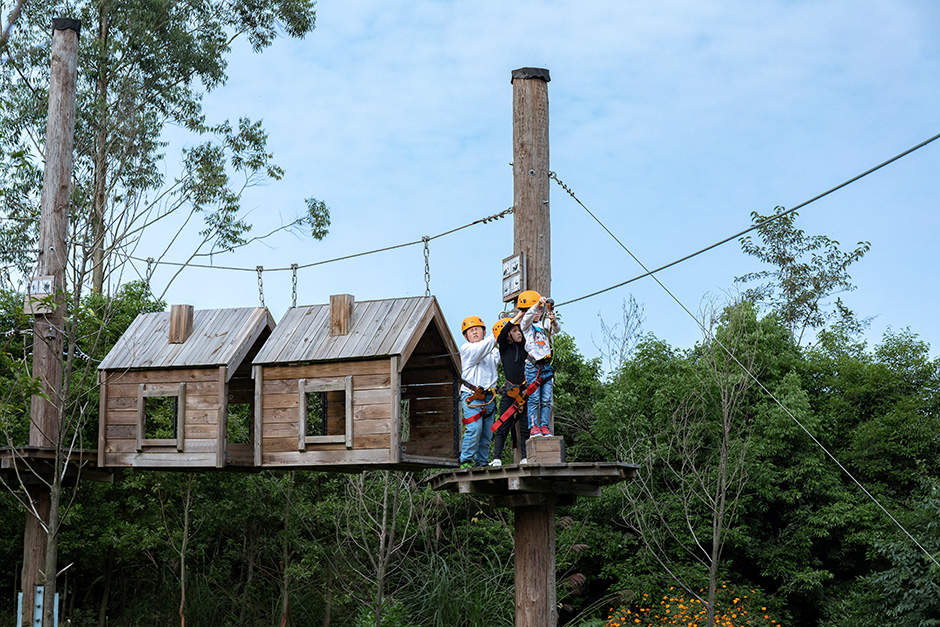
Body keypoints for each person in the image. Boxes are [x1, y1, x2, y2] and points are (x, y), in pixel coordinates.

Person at [458, 315, 498, 468]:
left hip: (488, 397)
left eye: (477, 329)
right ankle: (466, 460)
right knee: (474, 428)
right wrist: (497, 334)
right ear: (466, 336)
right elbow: (482, 349)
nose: (474, 332)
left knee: (487, 433)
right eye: (471, 331)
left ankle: (482, 462)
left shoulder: (493, 351)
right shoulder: (467, 349)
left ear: (483, 331)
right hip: (472, 395)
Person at [518, 291, 560, 438]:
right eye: (534, 310)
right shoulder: (526, 326)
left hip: (547, 366)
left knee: (547, 399)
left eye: (539, 310)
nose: (536, 313)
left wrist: (553, 320)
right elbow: (527, 318)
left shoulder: (545, 324)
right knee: (534, 398)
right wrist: (536, 304)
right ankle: (534, 427)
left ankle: (544, 426)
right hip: (533, 366)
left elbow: (556, 329)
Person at [489, 313, 529, 466]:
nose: (518, 333)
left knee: (525, 426)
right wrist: (518, 315)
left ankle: (525, 457)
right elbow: (502, 334)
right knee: (503, 425)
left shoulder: (525, 348)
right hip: (509, 392)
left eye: (519, 330)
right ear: (508, 336)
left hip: (524, 392)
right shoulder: (504, 348)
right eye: (514, 331)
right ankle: (496, 458)